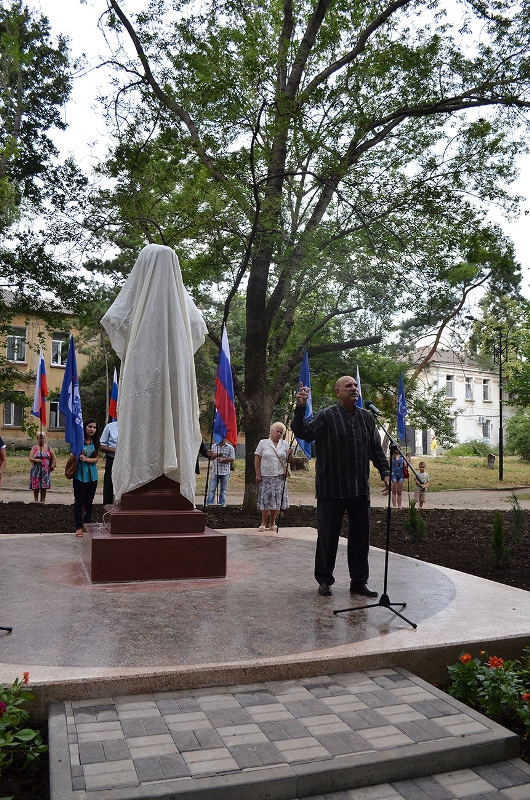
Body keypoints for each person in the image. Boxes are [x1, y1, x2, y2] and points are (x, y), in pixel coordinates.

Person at [101, 244, 207, 505]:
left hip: (143, 370)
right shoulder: (184, 303)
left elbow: (114, 319)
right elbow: (198, 328)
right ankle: (170, 479)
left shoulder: (135, 296)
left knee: (142, 415)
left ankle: (139, 476)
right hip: (176, 373)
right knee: (172, 414)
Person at [292, 376, 390, 597]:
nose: (354, 388)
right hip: (332, 488)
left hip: (359, 489)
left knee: (361, 537)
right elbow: (303, 432)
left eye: (355, 385)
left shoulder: (367, 418)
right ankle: (325, 580)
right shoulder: (327, 416)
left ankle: (359, 582)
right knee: (328, 536)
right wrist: (300, 407)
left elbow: (376, 449)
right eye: (348, 386)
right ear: (338, 392)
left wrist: (385, 472)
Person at [254, 422, 291, 532]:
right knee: (266, 500)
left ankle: (272, 523)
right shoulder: (263, 443)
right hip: (266, 476)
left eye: (281, 432)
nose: (279, 434)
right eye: (277, 431)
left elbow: (288, 461)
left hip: (279, 476)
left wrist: (290, 454)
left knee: (276, 501)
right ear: (272, 431)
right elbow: (257, 459)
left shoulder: (284, 444)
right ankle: (263, 523)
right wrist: (258, 474)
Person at [73, 419, 100, 537]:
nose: (92, 429)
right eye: (90, 427)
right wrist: (78, 454)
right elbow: (72, 457)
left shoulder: (96, 443)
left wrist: (86, 459)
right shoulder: (78, 441)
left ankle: (87, 524)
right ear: (84, 427)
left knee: (89, 502)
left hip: (92, 476)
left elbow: (96, 459)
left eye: (94, 427)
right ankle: (78, 526)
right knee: (79, 501)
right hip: (79, 475)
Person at [206, 438, 235, 506]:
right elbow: (210, 458)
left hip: (225, 472)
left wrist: (223, 459)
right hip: (215, 471)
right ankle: (210, 504)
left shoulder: (230, 447)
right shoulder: (214, 446)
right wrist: (217, 455)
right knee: (211, 489)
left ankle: (221, 504)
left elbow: (232, 458)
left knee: (223, 490)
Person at [28, 432, 56, 503]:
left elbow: (53, 456)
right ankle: (36, 501)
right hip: (36, 470)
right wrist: (36, 460)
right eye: (39, 438)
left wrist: (52, 465)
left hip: (45, 470)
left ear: (44, 438)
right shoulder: (34, 448)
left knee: (44, 486)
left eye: (42, 438)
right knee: (36, 486)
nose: (41, 440)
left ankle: (43, 501)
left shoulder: (48, 447)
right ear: (37, 439)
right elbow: (30, 458)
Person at [99, 418, 119, 506]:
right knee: (109, 486)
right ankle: (107, 509)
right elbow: (101, 446)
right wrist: (115, 450)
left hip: (129, 462)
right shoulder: (110, 427)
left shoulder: (133, 427)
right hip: (113, 460)